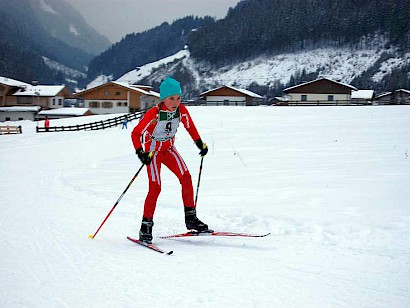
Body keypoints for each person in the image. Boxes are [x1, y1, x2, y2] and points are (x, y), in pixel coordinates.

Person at [131, 76, 209, 243]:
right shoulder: (154, 113)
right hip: (152, 152)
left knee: (186, 178)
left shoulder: (181, 111)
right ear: (163, 98)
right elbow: (136, 133)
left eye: (178, 98)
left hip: (169, 149)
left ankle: (191, 219)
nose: (175, 102)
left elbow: (190, 127)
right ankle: (145, 226)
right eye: (171, 98)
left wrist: (199, 144)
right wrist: (140, 153)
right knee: (155, 187)